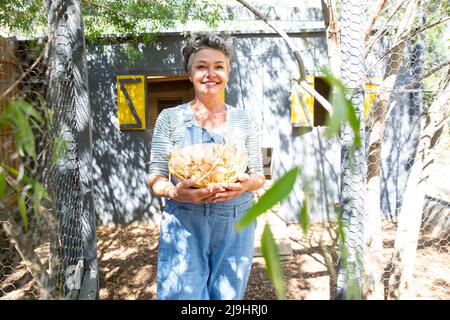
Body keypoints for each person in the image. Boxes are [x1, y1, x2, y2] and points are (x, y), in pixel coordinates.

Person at [147, 32, 265, 300]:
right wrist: (176, 192)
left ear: (228, 73)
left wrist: (247, 184)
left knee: (228, 297)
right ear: (190, 74)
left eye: (218, 66)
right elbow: (155, 175)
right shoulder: (170, 119)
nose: (210, 73)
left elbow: (259, 174)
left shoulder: (245, 121)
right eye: (201, 66)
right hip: (185, 221)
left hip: (236, 223)